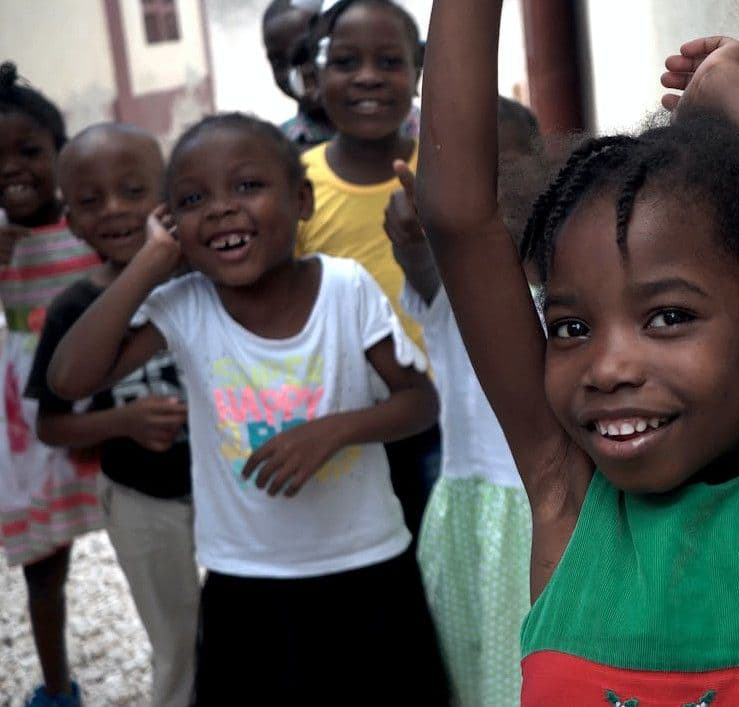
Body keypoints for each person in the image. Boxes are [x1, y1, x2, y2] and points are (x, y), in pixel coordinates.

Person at [417, 2, 739, 703]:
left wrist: (723, 90)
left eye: (668, 316)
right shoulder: (568, 499)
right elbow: (458, 216)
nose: (609, 368)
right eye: (571, 328)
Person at [46, 112, 449, 704]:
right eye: (191, 199)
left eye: (247, 186)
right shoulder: (183, 305)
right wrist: (150, 265)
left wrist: (335, 431)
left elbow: (420, 402)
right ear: (172, 224)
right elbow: (68, 377)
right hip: (246, 579)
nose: (220, 208)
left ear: (303, 200)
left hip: (367, 566)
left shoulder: (345, 287)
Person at [25, 123, 199, 707]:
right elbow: (52, 423)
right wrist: (121, 423)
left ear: (170, 194)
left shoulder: (209, 279)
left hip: (234, 493)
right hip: (144, 501)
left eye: (133, 190)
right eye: (91, 200)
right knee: (178, 642)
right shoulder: (75, 306)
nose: (115, 210)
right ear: (70, 220)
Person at [383, 95, 541, 706]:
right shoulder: (450, 281)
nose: (482, 194)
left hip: (544, 510)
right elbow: (418, 262)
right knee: (471, 670)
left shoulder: (569, 278)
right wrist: (414, 240)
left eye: (502, 170)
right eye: (458, 178)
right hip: (468, 510)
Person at [296, 0, 438, 543]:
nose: (368, 78)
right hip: (342, 417)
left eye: (389, 61)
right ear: (315, 77)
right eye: (347, 62)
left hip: (442, 412)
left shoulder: (446, 170)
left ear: (418, 73)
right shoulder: (298, 185)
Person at [0, 61, 102, 707]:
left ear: (61, 153)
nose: (14, 168)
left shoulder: (92, 223)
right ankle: (58, 686)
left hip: (107, 392)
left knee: (151, 529)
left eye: (31, 150)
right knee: (46, 562)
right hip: (30, 416)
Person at [262, 0, 334, 149]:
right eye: (279, 62)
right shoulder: (275, 150)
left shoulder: (391, 132)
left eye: (305, 54)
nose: (294, 73)